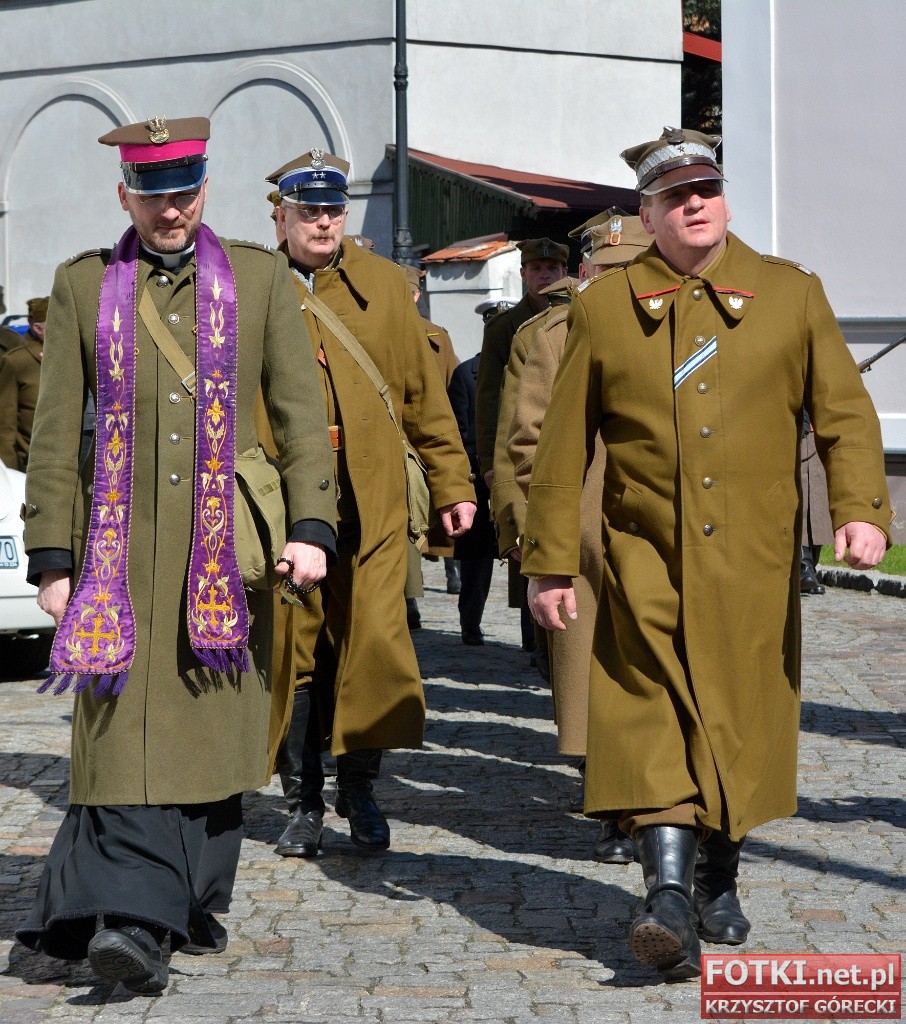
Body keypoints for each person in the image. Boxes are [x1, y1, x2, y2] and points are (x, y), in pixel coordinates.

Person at [523, 127, 891, 981]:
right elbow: (563, 443)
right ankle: (667, 898)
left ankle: (718, 875)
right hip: (641, 554)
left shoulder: (790, 293)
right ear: (647, 215)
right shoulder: (603, 309)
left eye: (707, 190)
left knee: (737, 717)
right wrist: (550, 561)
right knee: (650, 714)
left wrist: (860, 508)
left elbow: (843, 411)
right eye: (675, 196)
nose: (695, 204)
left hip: (755, 561)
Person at [16, 116, 337, 995]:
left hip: (222, 560)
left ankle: (180, 901)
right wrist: (52, 558)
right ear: (125, 195)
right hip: (115, 565)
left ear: (205, 189)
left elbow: (301, 417)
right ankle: (135, 919)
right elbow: (55, 435)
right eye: (154, 196)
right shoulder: (84, 285)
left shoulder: (260, 280)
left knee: (206, 743)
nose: (172, 211)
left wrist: (310, 528)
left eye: (186, 193)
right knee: (120, 744)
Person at [264, 149, 475, 859]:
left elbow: (423, 397)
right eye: (309, 211)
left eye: (333, 210)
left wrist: (453, 484)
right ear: (281, 216)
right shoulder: (253, 285)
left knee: (374, 646)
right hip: (288, 499)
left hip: (373, 495)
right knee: (296, 648)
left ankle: (360, 790)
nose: (323, 223)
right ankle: (302, 801)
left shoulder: (385, 285)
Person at [507, 216, 650, 863]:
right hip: (587, 529)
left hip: (665, 528)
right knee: (591, 668)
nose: (617, 283)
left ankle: (666, 807)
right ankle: (612, 805)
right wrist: (545, 533)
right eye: (606, 272)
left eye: (630, 271)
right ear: (586, 273)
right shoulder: (555, 335)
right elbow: (528, 444)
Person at [476, 238, 569, 656]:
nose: (544, 276)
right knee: (524, 546)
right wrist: (490, 462)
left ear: (566, 272)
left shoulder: (578, 317)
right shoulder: (505, 328)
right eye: (536, 269)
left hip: (560, 443)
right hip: (517, 444)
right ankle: (535, 642)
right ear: (523, 274)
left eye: (552, 269)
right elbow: (491, 400)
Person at [447, 351, 497, 645]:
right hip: (478, 480)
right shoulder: (466, 374)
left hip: (515, 476)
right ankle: (470, 624)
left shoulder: (526, 365)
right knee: (476, 562)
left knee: (527, 559)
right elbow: (458, 433)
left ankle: (533, 640)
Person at [0, 296, 48, 470]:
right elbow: (6, 424)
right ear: (37, 328)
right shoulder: (18, 361)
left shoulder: (76, 358)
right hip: (30, 464)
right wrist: (9, 472)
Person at [800, 408, 832, 594]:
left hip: (819, 427)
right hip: (792, 427)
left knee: (818, 502)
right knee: (801, 503)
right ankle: (803, 568)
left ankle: (810, 569)